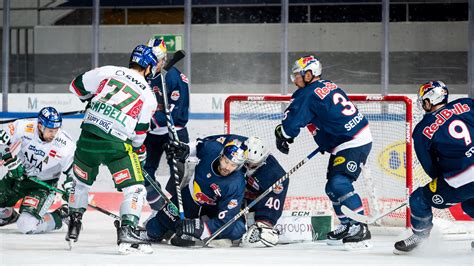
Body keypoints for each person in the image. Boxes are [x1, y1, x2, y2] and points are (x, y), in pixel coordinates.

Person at [274, 55, 373, 249]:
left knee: (339, 183)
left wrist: (282, 134)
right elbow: (329, 116)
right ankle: (347, 225)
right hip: (348, 139)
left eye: (298, 75)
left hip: (352, 141)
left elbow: (291, 125)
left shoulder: (307, 94)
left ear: (309, 74)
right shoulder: (327, 84)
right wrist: (326, 140)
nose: (294, 80)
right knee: (331, 187)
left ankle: (359, 226)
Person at [67, 44, 158, 254]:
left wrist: (89, 101)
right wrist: (138, 152)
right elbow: (138, 136)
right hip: (115, 145)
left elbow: (75, 86)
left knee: (80, 183)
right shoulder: (148, 95)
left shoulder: (108, 71)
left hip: (87, 138)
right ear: (148, 67)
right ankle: (128, 230)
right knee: (135, 189)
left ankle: (74, 223)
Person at [394, 81, 474, 254]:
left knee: (418, 199)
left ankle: (420, 239)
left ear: (430, 100)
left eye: (424, 100)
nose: (422, 103)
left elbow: (429, 166)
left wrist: (441, 180)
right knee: (469, 204)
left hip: (462, 180)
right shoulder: (465, 104)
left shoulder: (422, 129)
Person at [144, 139, 247, 246]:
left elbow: (226, 220)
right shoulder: (212, 149)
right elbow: (197, 146)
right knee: (153, 229)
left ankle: (200, 232)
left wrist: (201, 229)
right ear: (221, 156)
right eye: (226, 161)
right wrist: (185, 149)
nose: (227, 167)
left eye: (233, 165)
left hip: (214, 210)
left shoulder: (236, 183)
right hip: (190, 197)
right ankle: (173, 228)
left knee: (237, 230)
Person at [202, 134, 287, 247]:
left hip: (248, 202)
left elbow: (272, 204)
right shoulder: (235, 143)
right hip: (225, 194)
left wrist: (264, 223)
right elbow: (207, 143)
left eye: (253, 165)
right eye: (245, 163)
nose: (247, 167)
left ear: (263, 162)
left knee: (239, 229)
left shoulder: (275, 175)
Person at [0, 107, 74, 234]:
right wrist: (9, 159)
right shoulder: (25, 126)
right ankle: (7, 215)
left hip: (42, 186)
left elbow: (74, 171)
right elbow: (1, 139)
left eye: (56, 130)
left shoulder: (65, 144)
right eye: (51, 130)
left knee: (26, 225)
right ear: (40, 126)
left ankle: (61, 215)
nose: (54, 134)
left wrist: (71, 188)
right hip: (18, 176)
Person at [143, 38, 190, 209]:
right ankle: (161, 210)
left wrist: (149, 122)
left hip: (174, 132)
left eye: (156, 60)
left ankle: (181, 210)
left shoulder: (174, 77)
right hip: (150, 135)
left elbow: (177, 112)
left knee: (181, 175)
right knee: (143, 173)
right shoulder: (143, 77)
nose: (152, 64)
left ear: (163, 59)